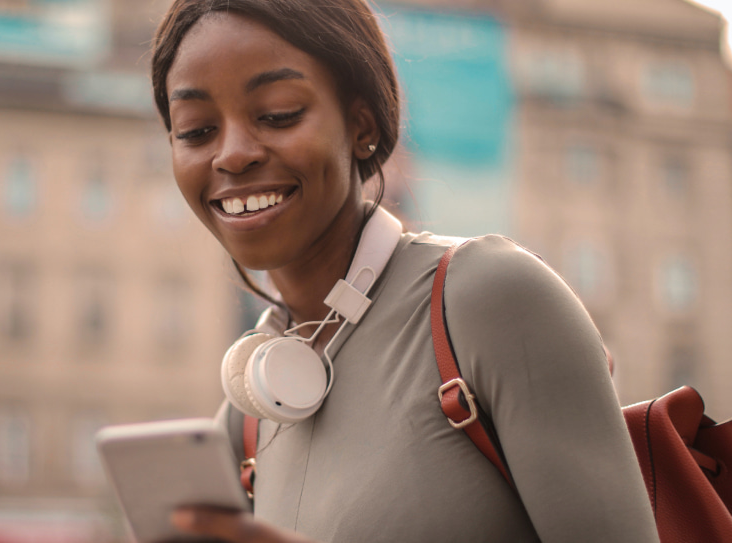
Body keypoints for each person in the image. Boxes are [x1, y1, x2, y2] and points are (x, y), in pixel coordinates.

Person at [147, 0, 660, 540]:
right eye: (197, 130)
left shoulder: (494, 298)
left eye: (277, 114)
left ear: (362, 125)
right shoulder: (247, 412)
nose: (231, 154)